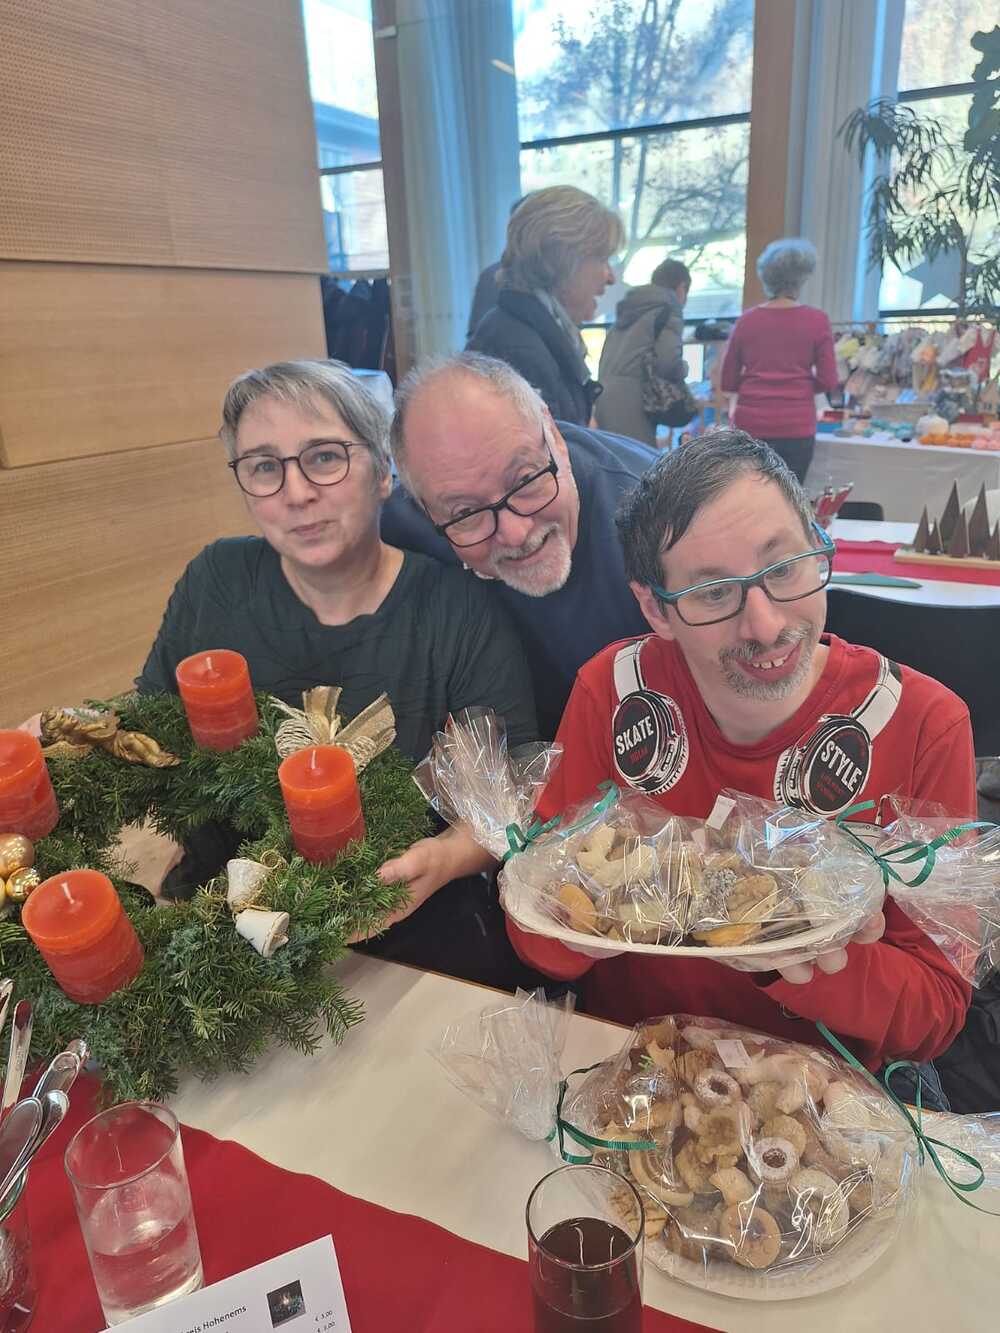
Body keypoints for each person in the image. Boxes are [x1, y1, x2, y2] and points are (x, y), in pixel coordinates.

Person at [506, 430, 974, 1074]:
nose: (766, 625)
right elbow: (536, 940)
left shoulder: (923, 724)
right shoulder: (613, 691)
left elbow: (936, 1017)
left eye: (783, 569)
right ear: (655, 609)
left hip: (823, 1097)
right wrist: (582, 926)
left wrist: (795, 955)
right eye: (713, 593)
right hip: (630, 1073)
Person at [138, 359, 541, 989]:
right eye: (264, 467)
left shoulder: (455, 610)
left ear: (383, 472)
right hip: (224, 944)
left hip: (408, 945)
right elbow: (147, 727)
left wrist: (443, 858)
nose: (296, 493)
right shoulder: (216, 582)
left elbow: (510, 795)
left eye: (324, 457)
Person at [381, 352, 657, 739]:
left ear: (555, 438)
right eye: (467, 512)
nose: (515, 533)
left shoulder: (662, 521)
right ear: (426, 511)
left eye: (525, 481)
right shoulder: (399, 531)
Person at [466, 187, 623, 426]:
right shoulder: (519, 351)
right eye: (602, 259)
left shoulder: (536, 333)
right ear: (564, 263)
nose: (611, 277)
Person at [720, 238, 839, 485]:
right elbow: (828, 380)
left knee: (748, 496)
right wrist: (800, 386)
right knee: (789, 497)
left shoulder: (746, 321)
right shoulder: (817, 321)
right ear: (803, 277)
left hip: (750, 426)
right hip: (797, 426)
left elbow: (728, 381)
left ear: (766, 276)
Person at [596, 258, 691, 446]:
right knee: (638, 459)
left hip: (604, 394)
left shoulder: (631, 306)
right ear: (681, 288)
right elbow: (668, 362)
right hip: (634, 399)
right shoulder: (669, 308)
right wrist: (684, 368)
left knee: (616, 455)